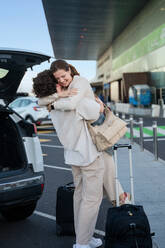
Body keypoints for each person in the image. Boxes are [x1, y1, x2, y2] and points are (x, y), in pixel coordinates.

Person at [33, 61, 130, 248]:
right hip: (87, 154)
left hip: (72, 156)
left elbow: (41, 101)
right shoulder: (75, 102)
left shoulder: (51, 105)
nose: (62, 81)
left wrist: (56, 98)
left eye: (63, 77)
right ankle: (82, 242)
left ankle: (84, 237)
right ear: (55, 84)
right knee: (91, 200)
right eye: (58, 80)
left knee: (80, 196)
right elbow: (96, 112)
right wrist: (98, 106)